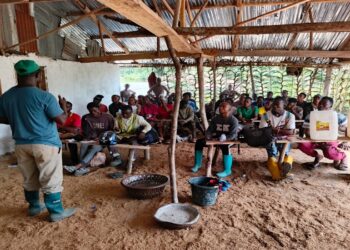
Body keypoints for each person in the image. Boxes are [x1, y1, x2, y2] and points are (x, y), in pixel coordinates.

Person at [0, 60, 76, 222]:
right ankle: (56, 212)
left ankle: (34, 207)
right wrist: (63, 106)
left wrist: (18, 119)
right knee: (51, 178)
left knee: (29, 177)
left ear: (17, 75)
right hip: (46, 144)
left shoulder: (7, 96)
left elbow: (2, 118)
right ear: (38, 75)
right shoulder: (44, 97)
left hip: (21, 144)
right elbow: (61, 120)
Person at [64, 102, 115, 176]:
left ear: (99, 109)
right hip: (91, 138)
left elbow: (111, 131)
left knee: (94, 147)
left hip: (103, 140)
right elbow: (85, 131)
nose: (93, 113)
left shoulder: (108, 117)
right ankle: (81, 166)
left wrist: (101, 138)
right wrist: (88, 137)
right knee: (83, 145)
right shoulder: (86, 117)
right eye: (90, 111)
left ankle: (77, 166)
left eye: (95, 110)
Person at [299, 97, 348, 170]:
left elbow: (345, 130)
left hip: (331, 140)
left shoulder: (339, 117)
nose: (320, 105)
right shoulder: (311, 116)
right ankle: (318, 156)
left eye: (324, 104)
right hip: (315, 139)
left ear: (330, 107)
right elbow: (307, 131)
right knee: (302, 144)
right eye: (320, 103)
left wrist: (336, 128)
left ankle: (343, 157)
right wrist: (317, 139)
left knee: (329, 151)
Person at [192, 102, 239, 178]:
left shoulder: (234, 120)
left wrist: (225, 138)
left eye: (223, 107)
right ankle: (197, 164)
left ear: (229, 110)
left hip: (228, 140)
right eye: (220, 106)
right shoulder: (215, 118)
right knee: (199, 143)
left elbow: (233, 135)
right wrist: (208, 136)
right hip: (216, 139)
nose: (220, 108)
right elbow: (209, 130)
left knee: (226, 147)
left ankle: (227, 170)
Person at [259, 97, 295, 180]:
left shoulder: (290, 116)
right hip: (270, 138)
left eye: (278, 106)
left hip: (285, 139)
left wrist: (275, 130)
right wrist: (283, 131)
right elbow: (263, 131)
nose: (275, 107)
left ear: (284, 106)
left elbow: (291, 132)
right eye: (274, 105)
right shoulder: (266, 115)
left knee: (285, 153)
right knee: (272, 154)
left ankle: (285, 169)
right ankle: (278, 174)